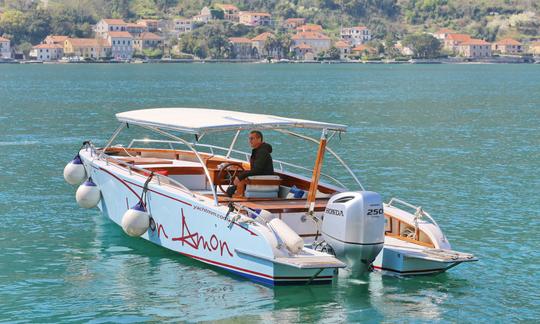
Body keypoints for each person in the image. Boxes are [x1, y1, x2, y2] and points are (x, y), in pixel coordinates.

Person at [227, 130, 274, 197]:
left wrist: (240, 177)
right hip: (259, 179)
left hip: (262, 181)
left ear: (259, 139)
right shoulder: (259, 151)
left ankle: (238, 197)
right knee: (231, 189)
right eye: (249, 139)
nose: (250, 141)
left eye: (252, 138)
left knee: (232, 188)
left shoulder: (262, 152)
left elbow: (257, 170)